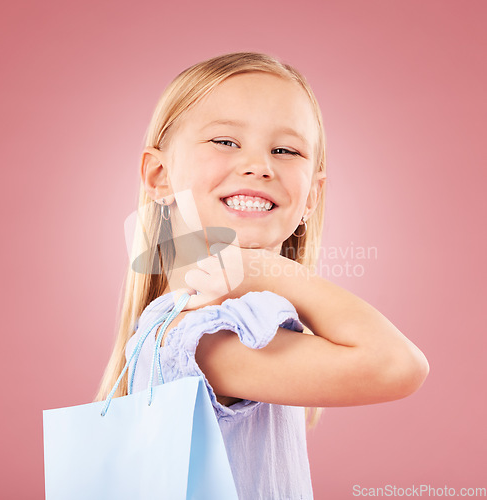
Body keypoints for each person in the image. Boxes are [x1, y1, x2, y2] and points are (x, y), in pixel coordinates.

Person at [96, 52, 429, 499]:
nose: (259, 165)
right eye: (225, 142)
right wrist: (266, 270)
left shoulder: (179, 325)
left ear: (311, 194)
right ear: (159, 176)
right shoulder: (206, 337)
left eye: (285, 150)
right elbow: (398, 366)